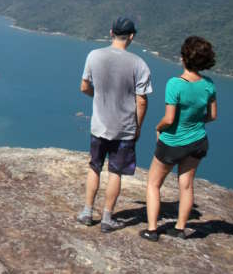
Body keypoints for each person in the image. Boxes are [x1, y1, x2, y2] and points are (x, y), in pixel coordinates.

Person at [77, 17, 152, 232]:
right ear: (131, 36)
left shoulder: (94, 56)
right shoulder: (139, 64)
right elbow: (142, 100)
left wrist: (98, 95)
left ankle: (87, 212)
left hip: (99, 126)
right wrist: (138, 126)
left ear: (111, 33)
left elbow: (84, 87)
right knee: (116, 173)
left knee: (94, 167)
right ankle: (108, 218)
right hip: (124, 128)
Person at [140, 36, 217, 242]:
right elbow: (212, 115)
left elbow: (169, 118)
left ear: (184, 58)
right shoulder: (209, 85)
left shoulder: (175, 84)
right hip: (198, 141)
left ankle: (152, 230)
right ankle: (180, 228)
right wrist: (194, 123)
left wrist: (158, 128)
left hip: (173, 142)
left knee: (154, 184)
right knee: (186, 185)